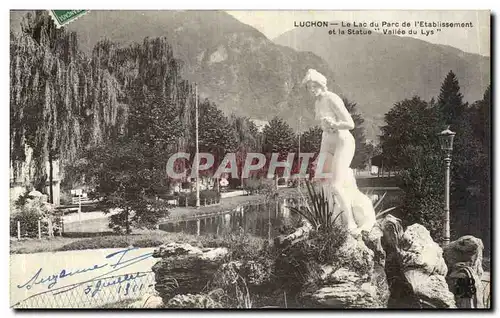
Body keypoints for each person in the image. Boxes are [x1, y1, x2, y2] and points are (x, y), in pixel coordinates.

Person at [302, 69, 359, 235]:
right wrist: (320, 156)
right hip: (327, 139)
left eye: (313, 86)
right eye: (308, 87)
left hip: (342, 140)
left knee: (336, 184)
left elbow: (350, 124)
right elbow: (323, 130)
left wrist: (334, 124)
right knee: (321, 181)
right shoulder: (317, 103)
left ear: (321, 84)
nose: (311, 89)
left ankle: (351, 224)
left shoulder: (332, 98)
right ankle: (330, 221)